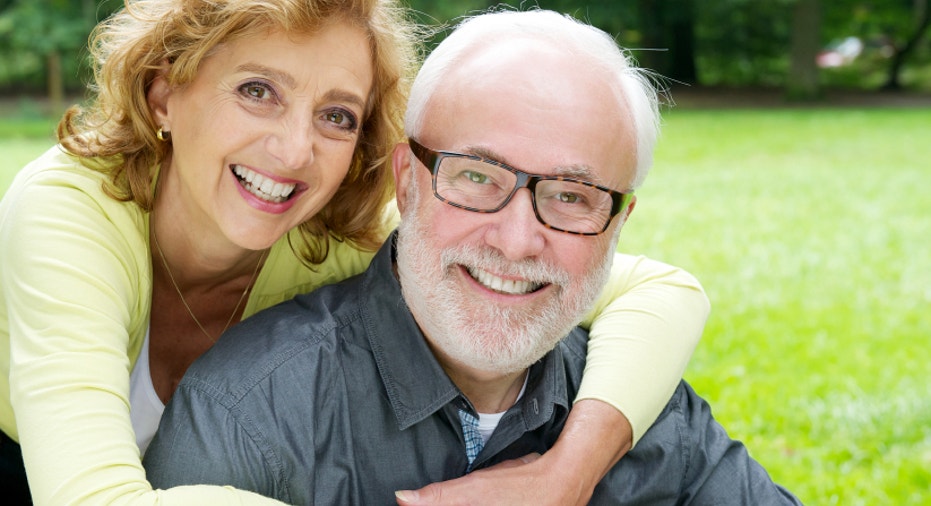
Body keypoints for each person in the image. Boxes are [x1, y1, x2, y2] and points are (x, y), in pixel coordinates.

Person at [0, 1, 707, 504]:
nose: (294, 150)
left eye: (336, 115)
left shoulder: (325, 237)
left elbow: (661, 291)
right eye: (257, 91)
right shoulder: (71, 209)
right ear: (163, 94)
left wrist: (566, 473)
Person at [144, 8, 799, 505]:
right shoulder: (248, 420)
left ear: (617, 223)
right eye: (477, 177)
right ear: (405, 181)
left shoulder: (640, 407)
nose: (515, 242)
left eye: (572, 195)